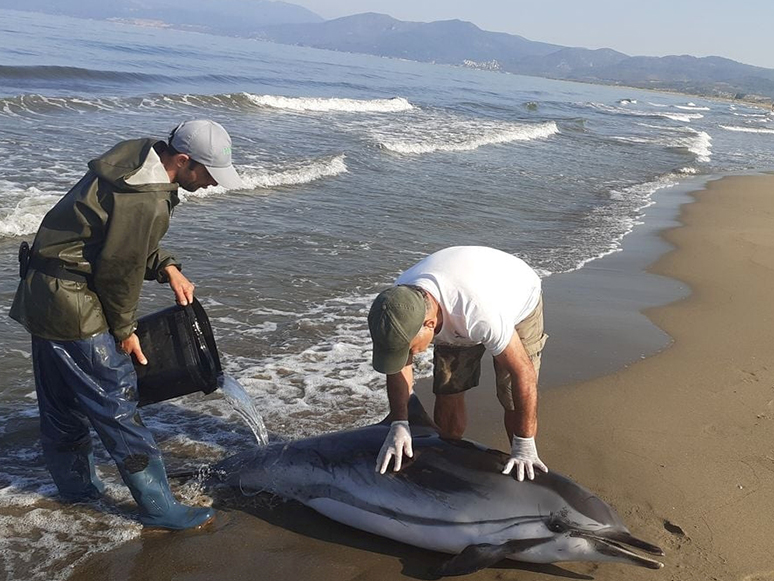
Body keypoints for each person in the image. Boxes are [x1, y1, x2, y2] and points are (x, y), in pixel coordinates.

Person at [10, 119, 243, 530]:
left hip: (42, 293)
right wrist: (124, 332)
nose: (212, 184)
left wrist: (167, 266)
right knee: (116, 401)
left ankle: (76, 489)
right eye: (207, 174)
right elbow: (119, 270)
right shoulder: (145, 200)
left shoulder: (137, 157)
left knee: (61, 401)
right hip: (74, 303)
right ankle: (158, 507)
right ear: (183, 160)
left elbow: (112, 237)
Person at [368, 246, 549, 481]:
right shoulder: (398, 306)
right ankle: (448, 457)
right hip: (458, 298)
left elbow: (521, 373)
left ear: (430, 325)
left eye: (410, 348)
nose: (409, 355)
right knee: (449, 389)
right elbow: (399, 365)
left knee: (511, 395)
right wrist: (399, 422)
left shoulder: (479, 314)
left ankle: (519, 469)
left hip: (517, 296)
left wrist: (524, 443)